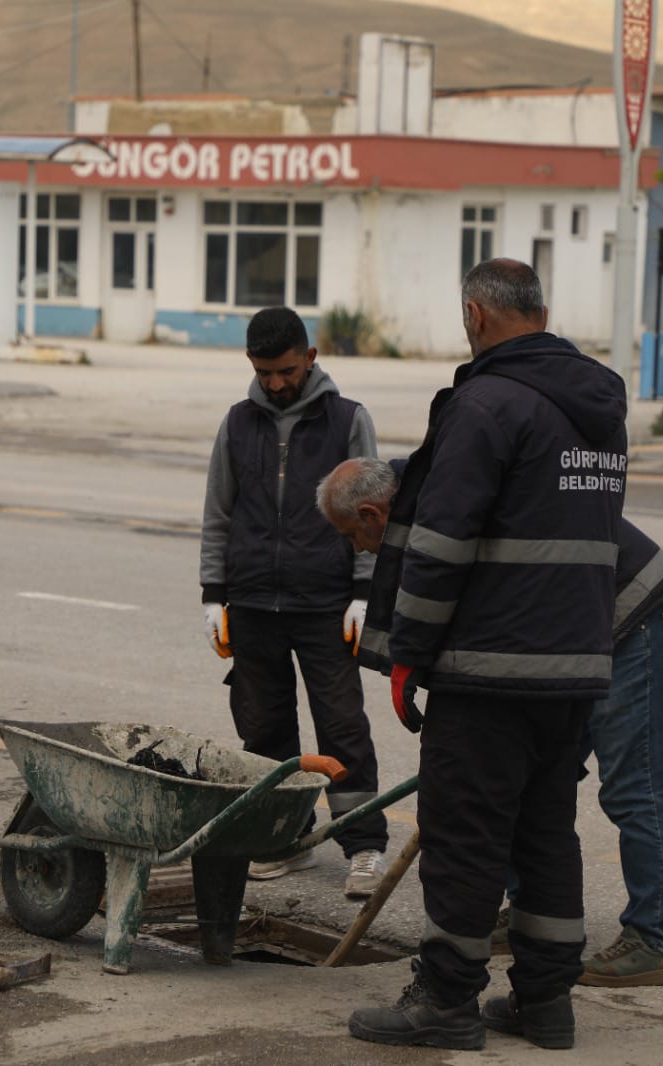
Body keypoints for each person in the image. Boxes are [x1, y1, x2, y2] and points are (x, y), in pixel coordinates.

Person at [343, 259, 628, 1051]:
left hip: (489, 669)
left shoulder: (486, 403)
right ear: (543, 309)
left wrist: (407, 655)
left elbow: (438, 545)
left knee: (465, 834)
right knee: (545, 833)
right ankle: (545, 1003)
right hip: (572, 668)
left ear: (475, 315)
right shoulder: (599, 406)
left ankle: (445, 1001)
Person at [320, 457, 663, 988]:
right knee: (531, 779)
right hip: (575, 635)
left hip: (633, 624)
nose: (358, 549)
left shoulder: (446, 503)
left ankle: (656, 942)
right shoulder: (434, 497)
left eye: (353, 536)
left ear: (372, 513)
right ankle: (526, 913)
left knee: (637, 792)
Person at [200, 305, 390, 900]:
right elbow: (218, 516)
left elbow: (371, 509)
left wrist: (364, 592)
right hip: (254, 602)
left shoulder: (347, 420)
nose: (276, 383)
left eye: (286, 370)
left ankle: (363, 846)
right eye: (264, 372)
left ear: (310, 358)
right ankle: (281, 838)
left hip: (325, 603)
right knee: (262, 729)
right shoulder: (236, 424)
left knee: (342, 728)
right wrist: (214, 595)